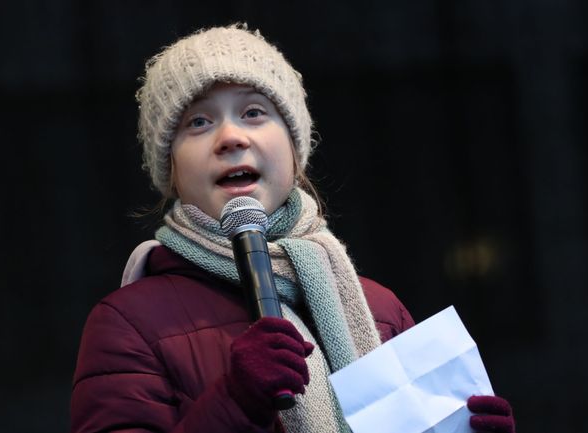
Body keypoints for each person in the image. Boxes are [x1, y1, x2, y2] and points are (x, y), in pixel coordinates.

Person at [70, 24, 515, 433]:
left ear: (295, 150)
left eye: (254, 112)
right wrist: (235, 402)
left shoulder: (378, 307)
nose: (231, 138)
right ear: (170, 170)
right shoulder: (129, 321)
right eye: (198, 122)